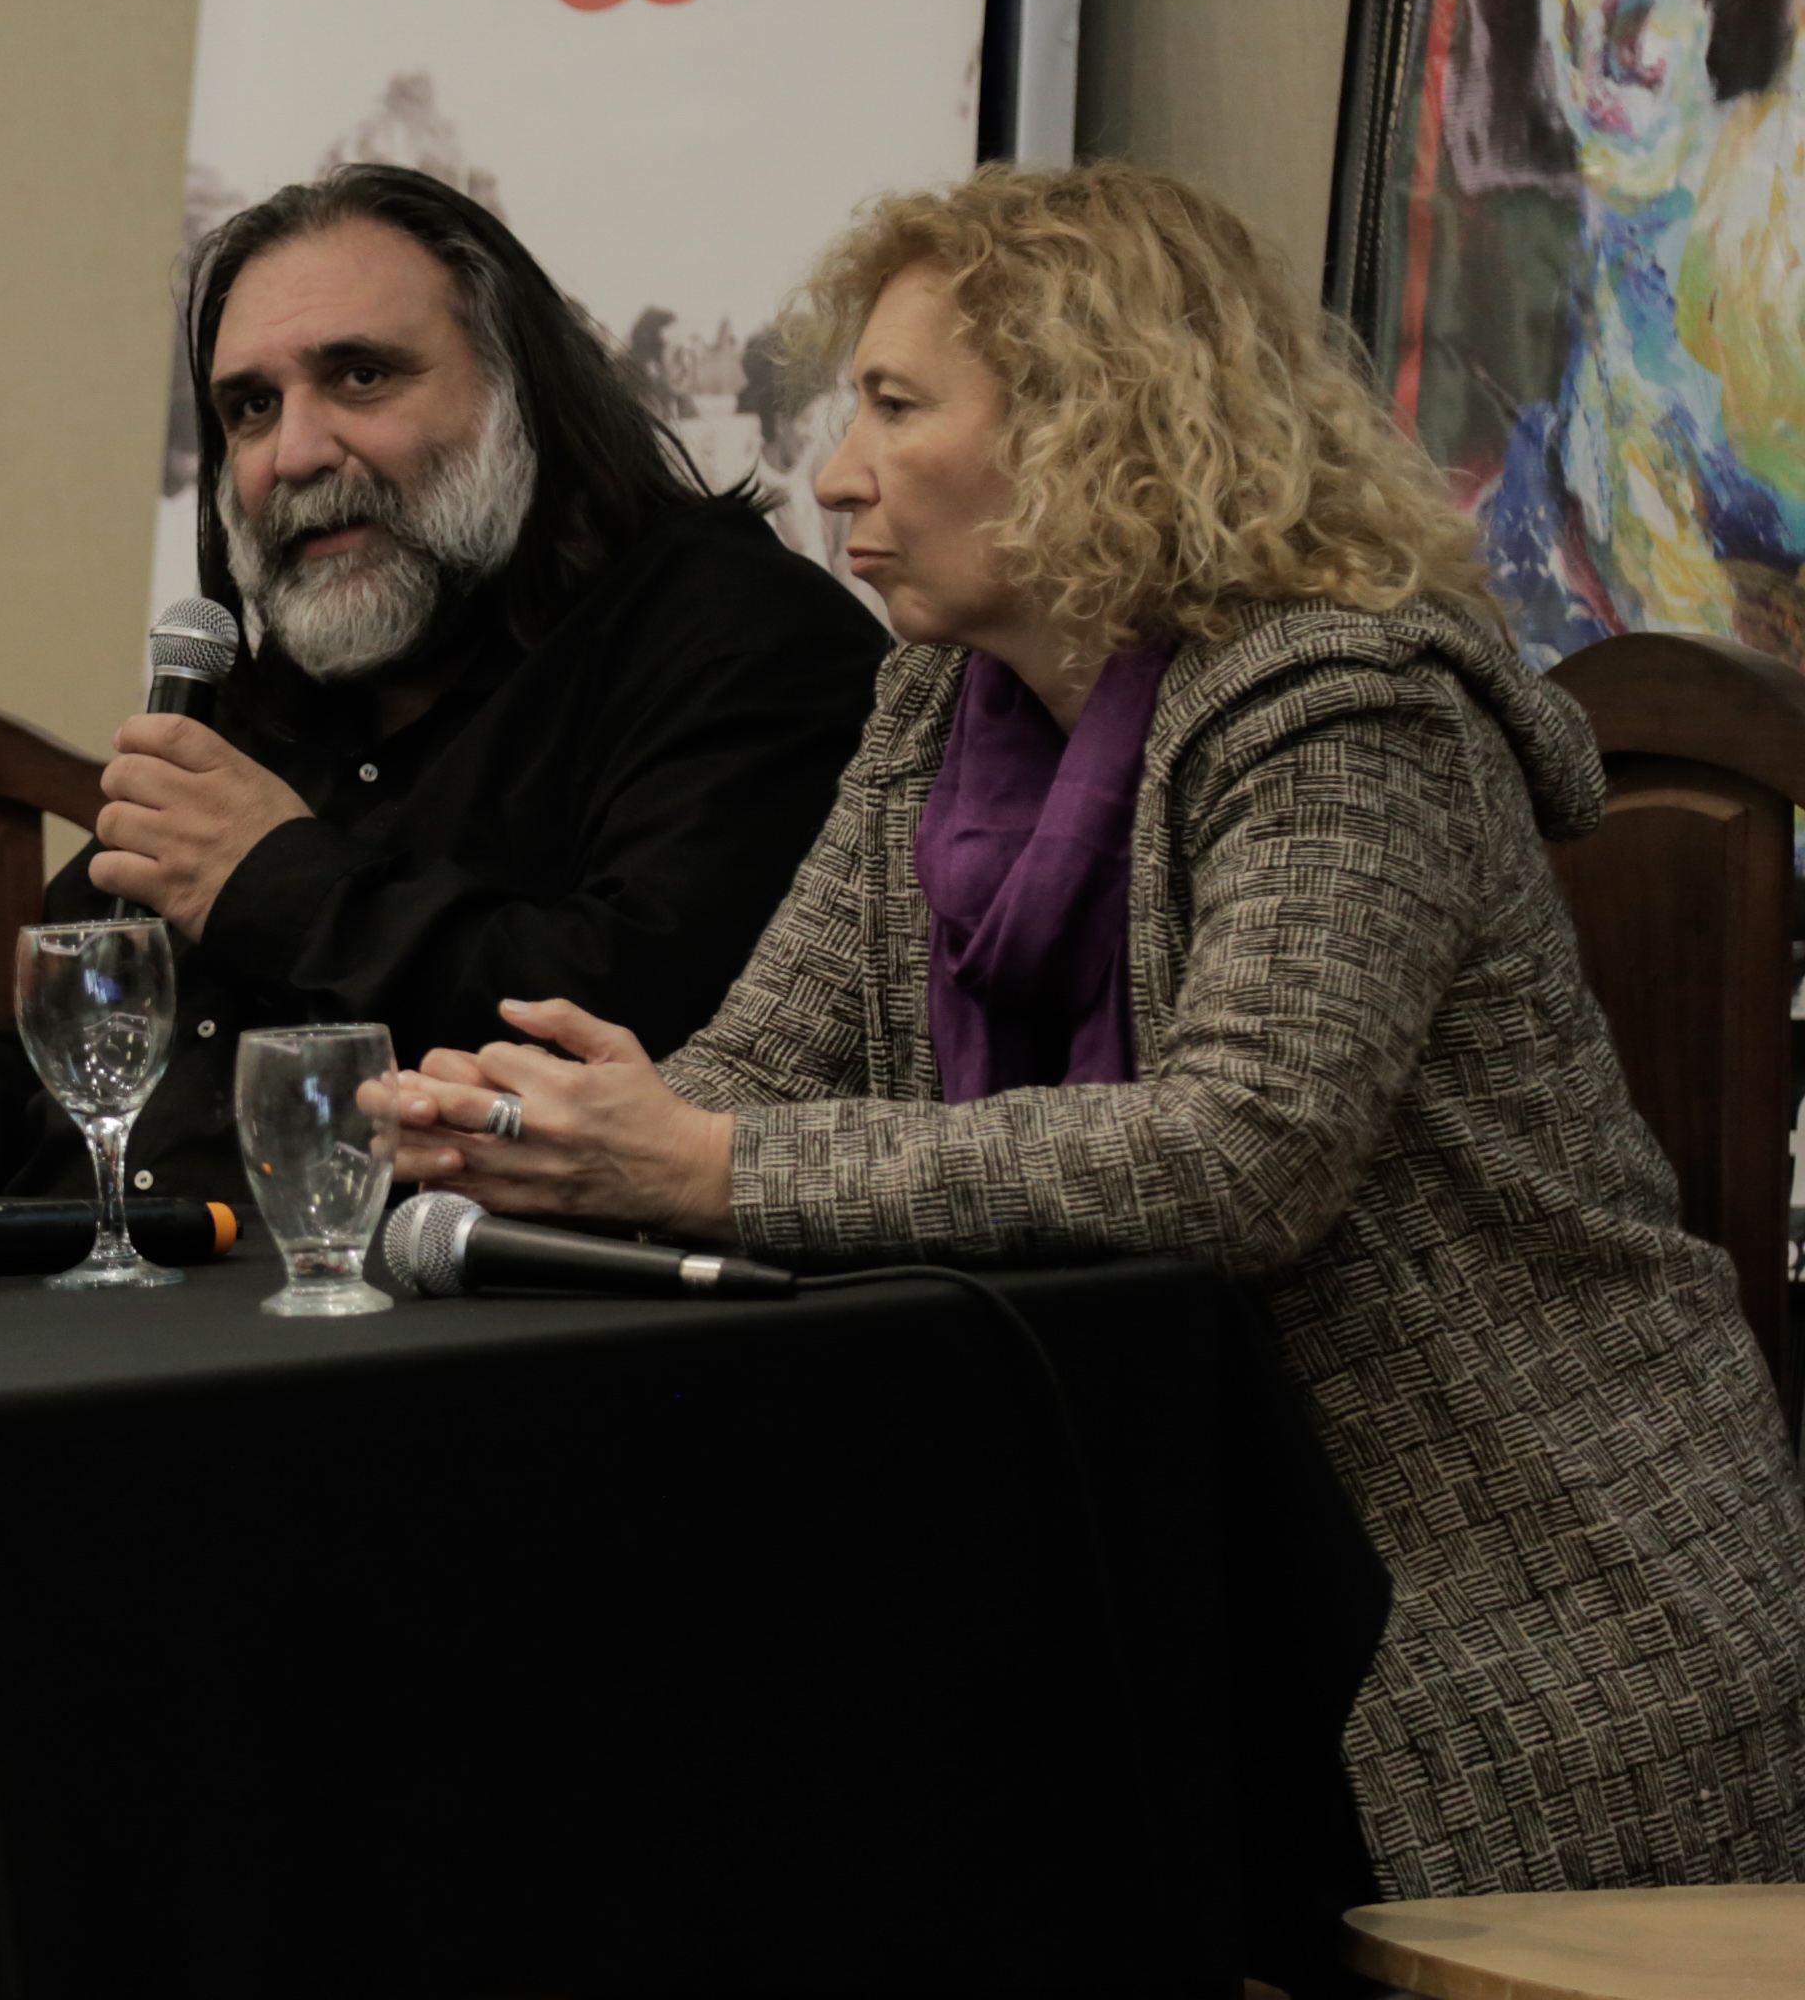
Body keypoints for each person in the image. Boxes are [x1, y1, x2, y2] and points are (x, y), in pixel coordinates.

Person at [387, 162, 1805, 1898]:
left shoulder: (1345, 707)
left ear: (1093, 420)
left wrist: (705, 1167)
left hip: (1506, 1616)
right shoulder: (939, 702)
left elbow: (1239, 1158)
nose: (835, 473)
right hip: (1163, 1545)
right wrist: (544, 1137)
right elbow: (760, 1067)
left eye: (895, 406)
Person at [0, 164, 888, 1207]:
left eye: (362, 376)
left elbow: (648, 1030)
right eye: (251, 407)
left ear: (519, 393)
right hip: (128, 1309)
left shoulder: (737, 634)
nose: (294, 452)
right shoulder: (274, 689)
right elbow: (74, 1069)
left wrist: (273, 882)